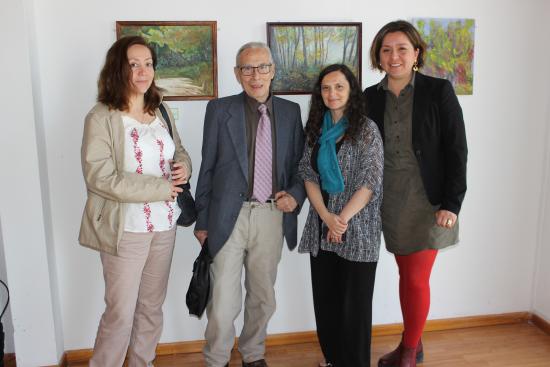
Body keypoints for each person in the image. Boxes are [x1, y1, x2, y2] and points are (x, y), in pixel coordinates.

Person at [79, 35, 192, 367]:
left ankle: (143, 362)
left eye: (148, 64)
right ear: (118, 69)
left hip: (164, 226)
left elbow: (179, 150)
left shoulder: (161, 110)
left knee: (151, 307)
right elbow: (100, 177)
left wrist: (183, 166)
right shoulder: (101, 117)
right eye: (133, 64)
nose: (143, 71)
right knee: (119, 314)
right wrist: (160, 188)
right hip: (125, 229)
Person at [194, 42, 305, 367]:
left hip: (271, 215)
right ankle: (216, 359)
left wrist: (295, 195)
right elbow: (207, 166)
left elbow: (300, 166)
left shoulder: (290, 111)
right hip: (227, 216)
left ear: (273, 70)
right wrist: (202, 220)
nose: (255, 75)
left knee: (262, 296)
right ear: (237, 73)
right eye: (247, 68)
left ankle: (253, 354)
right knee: (223, 301)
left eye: (262, 67)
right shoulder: (219, 110)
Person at [363, 20, 468, 367]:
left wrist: (452, 203)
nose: (394, 56)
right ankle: (415, 342)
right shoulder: (369, 98)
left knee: (415, 276)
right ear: (378, 55)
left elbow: (457, 149)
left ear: (416, 54)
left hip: (429, 200)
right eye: (387, 49)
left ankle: (408, 352)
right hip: (389, 201)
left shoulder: (439, 91)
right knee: (404, 273)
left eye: (402, 49)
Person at [298, 64, 384, 367]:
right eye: (325, 88)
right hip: (322, 226)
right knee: (327, 301)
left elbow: (370, 181)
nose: (331, 93)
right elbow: (307, 174)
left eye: (339, 87)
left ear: (351, 91)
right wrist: (326, 217)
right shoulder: (316, 130)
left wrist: (341, 219)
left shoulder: (366, 129)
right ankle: (333, 358)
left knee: (355, 307)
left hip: (358, 229)